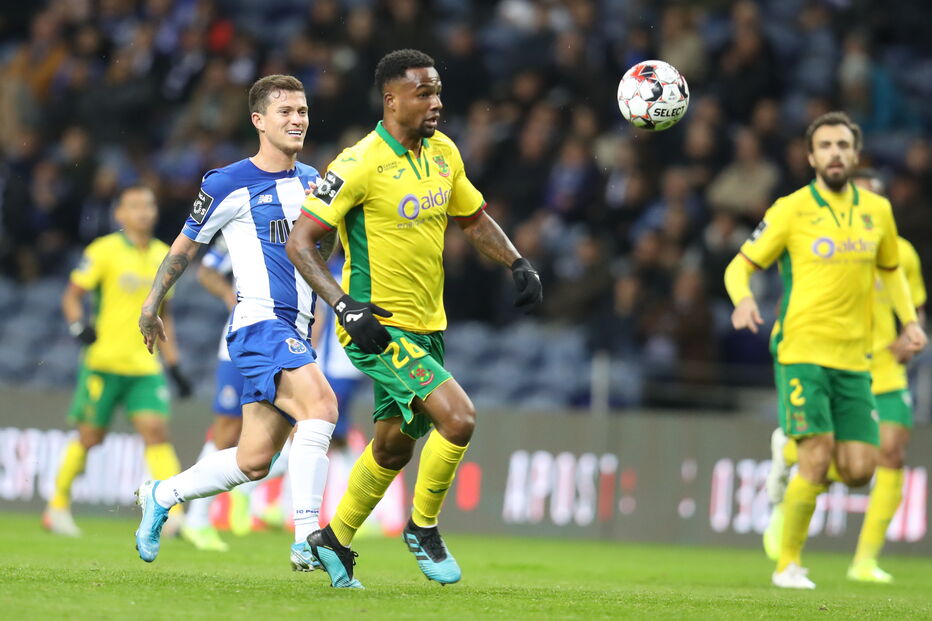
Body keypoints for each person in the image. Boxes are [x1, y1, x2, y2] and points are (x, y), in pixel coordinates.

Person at [286, 49, 543, 589]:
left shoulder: (444, 152)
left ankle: (332, 541)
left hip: (429, 326)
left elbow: (473, 219)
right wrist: (343, 305)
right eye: (423, 93)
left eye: (437, 92)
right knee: (459, 418)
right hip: (376, 326)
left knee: (393, 445)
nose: (436, 103)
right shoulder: (356, 163)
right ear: (391, 100)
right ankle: (422, 528)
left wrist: (516, 261)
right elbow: (301, 241)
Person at [134, 74, 338, 571]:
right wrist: (152, 303)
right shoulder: (226, 182)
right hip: (258, 323)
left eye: (303, 111)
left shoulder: (316, 181)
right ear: (259, 121)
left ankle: (163, 494)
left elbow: (322, 252)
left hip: (295, 329)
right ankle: (309, 536)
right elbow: (184, 250)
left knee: (254, 459)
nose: (297, 120)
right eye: (286, 111)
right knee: (322, 404)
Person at [724, 111, 927, 589]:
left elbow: (893, 271)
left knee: (859, 470)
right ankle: (788, 564)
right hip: (802, 351)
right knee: (818, 454)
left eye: (843, 145)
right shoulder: (790, 209)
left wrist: (911, 323)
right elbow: (739, 266)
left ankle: (787, 460)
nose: (835, 153)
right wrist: (744, 300)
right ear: (812, 156)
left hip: (856, 362)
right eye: (826, 146)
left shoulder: (878, 212)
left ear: (855, 155)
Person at [43, 185, 192, 537]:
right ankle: (57, 506)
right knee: (90, 437)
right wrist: (79, 326)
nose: (144, 212)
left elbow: (164, 314)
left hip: (144, 366)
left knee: (156, 433)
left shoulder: (164, 255)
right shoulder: (103, 250)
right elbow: (71, 296)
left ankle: (175, 514)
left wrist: (174, 364)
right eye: (135, 206)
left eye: (149, 205)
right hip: (104, 363)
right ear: (120, 214)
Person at [180, 238, 292, 551]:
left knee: (298, 432)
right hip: (243, 342)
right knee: (226, 432)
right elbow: (207, 270)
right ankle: (196, 519)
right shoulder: (244, 217)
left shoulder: (307, 217)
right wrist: (232, 298)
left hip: (289, 345)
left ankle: (245, 493)